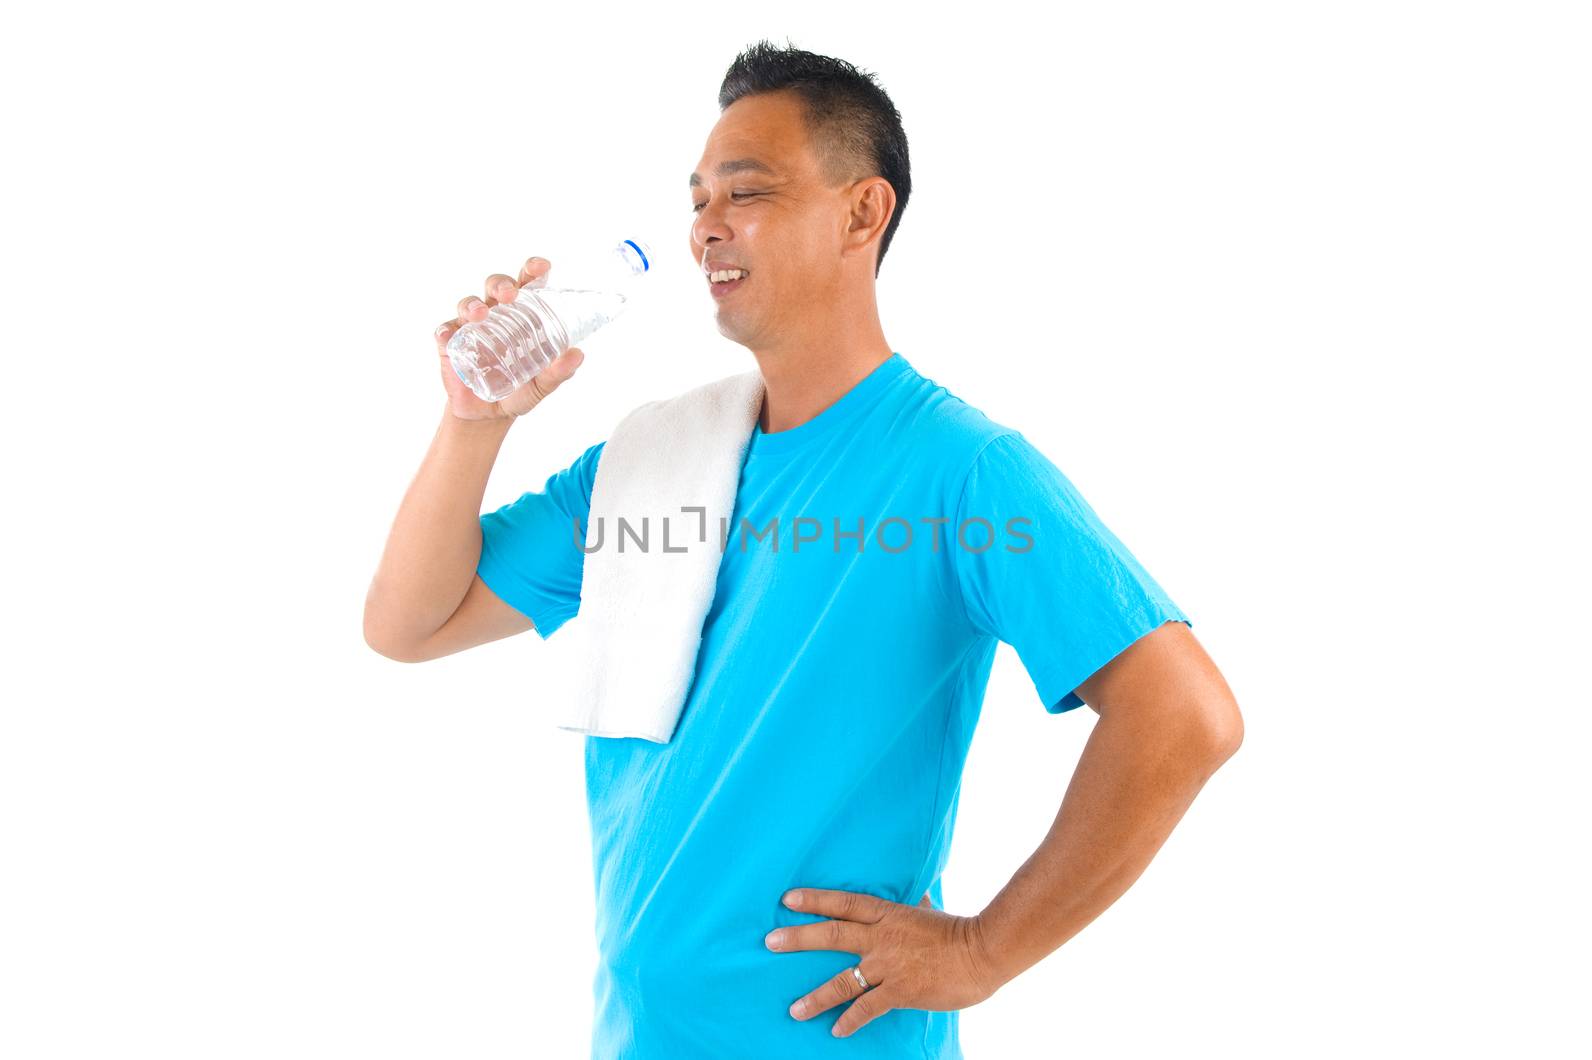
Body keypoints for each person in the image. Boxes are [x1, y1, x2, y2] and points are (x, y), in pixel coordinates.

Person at [364, 39, 1244, 1059]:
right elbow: (408, 623)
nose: (704, 227)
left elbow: (1185, 715)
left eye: (747, 192)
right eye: (696, 199)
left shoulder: (960, 471)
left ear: (862, 213)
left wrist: (983, 952)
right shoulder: (646, 466)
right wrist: (474, 422)